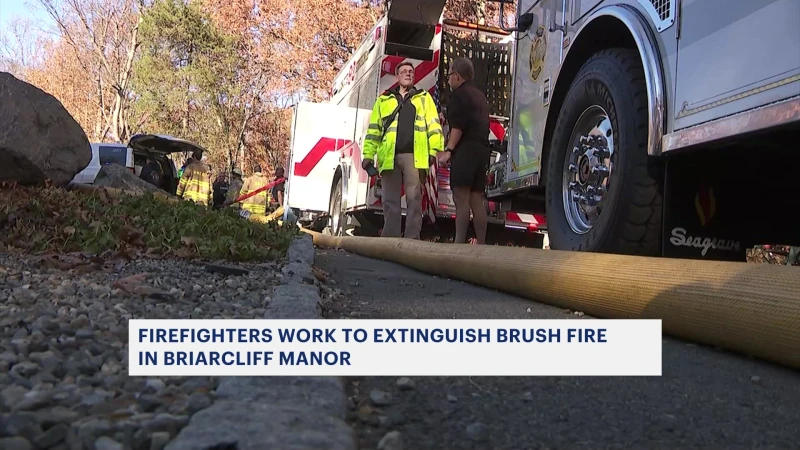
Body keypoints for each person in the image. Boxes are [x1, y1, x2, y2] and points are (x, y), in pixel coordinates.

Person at [362, 61, 444, 239]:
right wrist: (368, 155)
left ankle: (411, 239)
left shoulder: (424, 98)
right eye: (404, 72)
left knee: (414, 200)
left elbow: (434, 125)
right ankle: (390, 238)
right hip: (389, 157)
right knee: (390, 200)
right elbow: (374, 131)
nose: (408, 74)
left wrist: (433, 151)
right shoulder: (383, 100)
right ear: (397, 77)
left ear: (414, 77)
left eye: (411, 72)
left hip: (415, 157)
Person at [437, 57, 490, 245]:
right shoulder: (480, 96)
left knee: (461, 197)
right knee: (476, 197)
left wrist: (448, 151)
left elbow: (458, 127)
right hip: (482, 151)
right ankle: (481, 244)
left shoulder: (458, 95)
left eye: (450, 74)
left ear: (457, 77)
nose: (448, 78)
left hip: (465, 151)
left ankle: (459, 244)